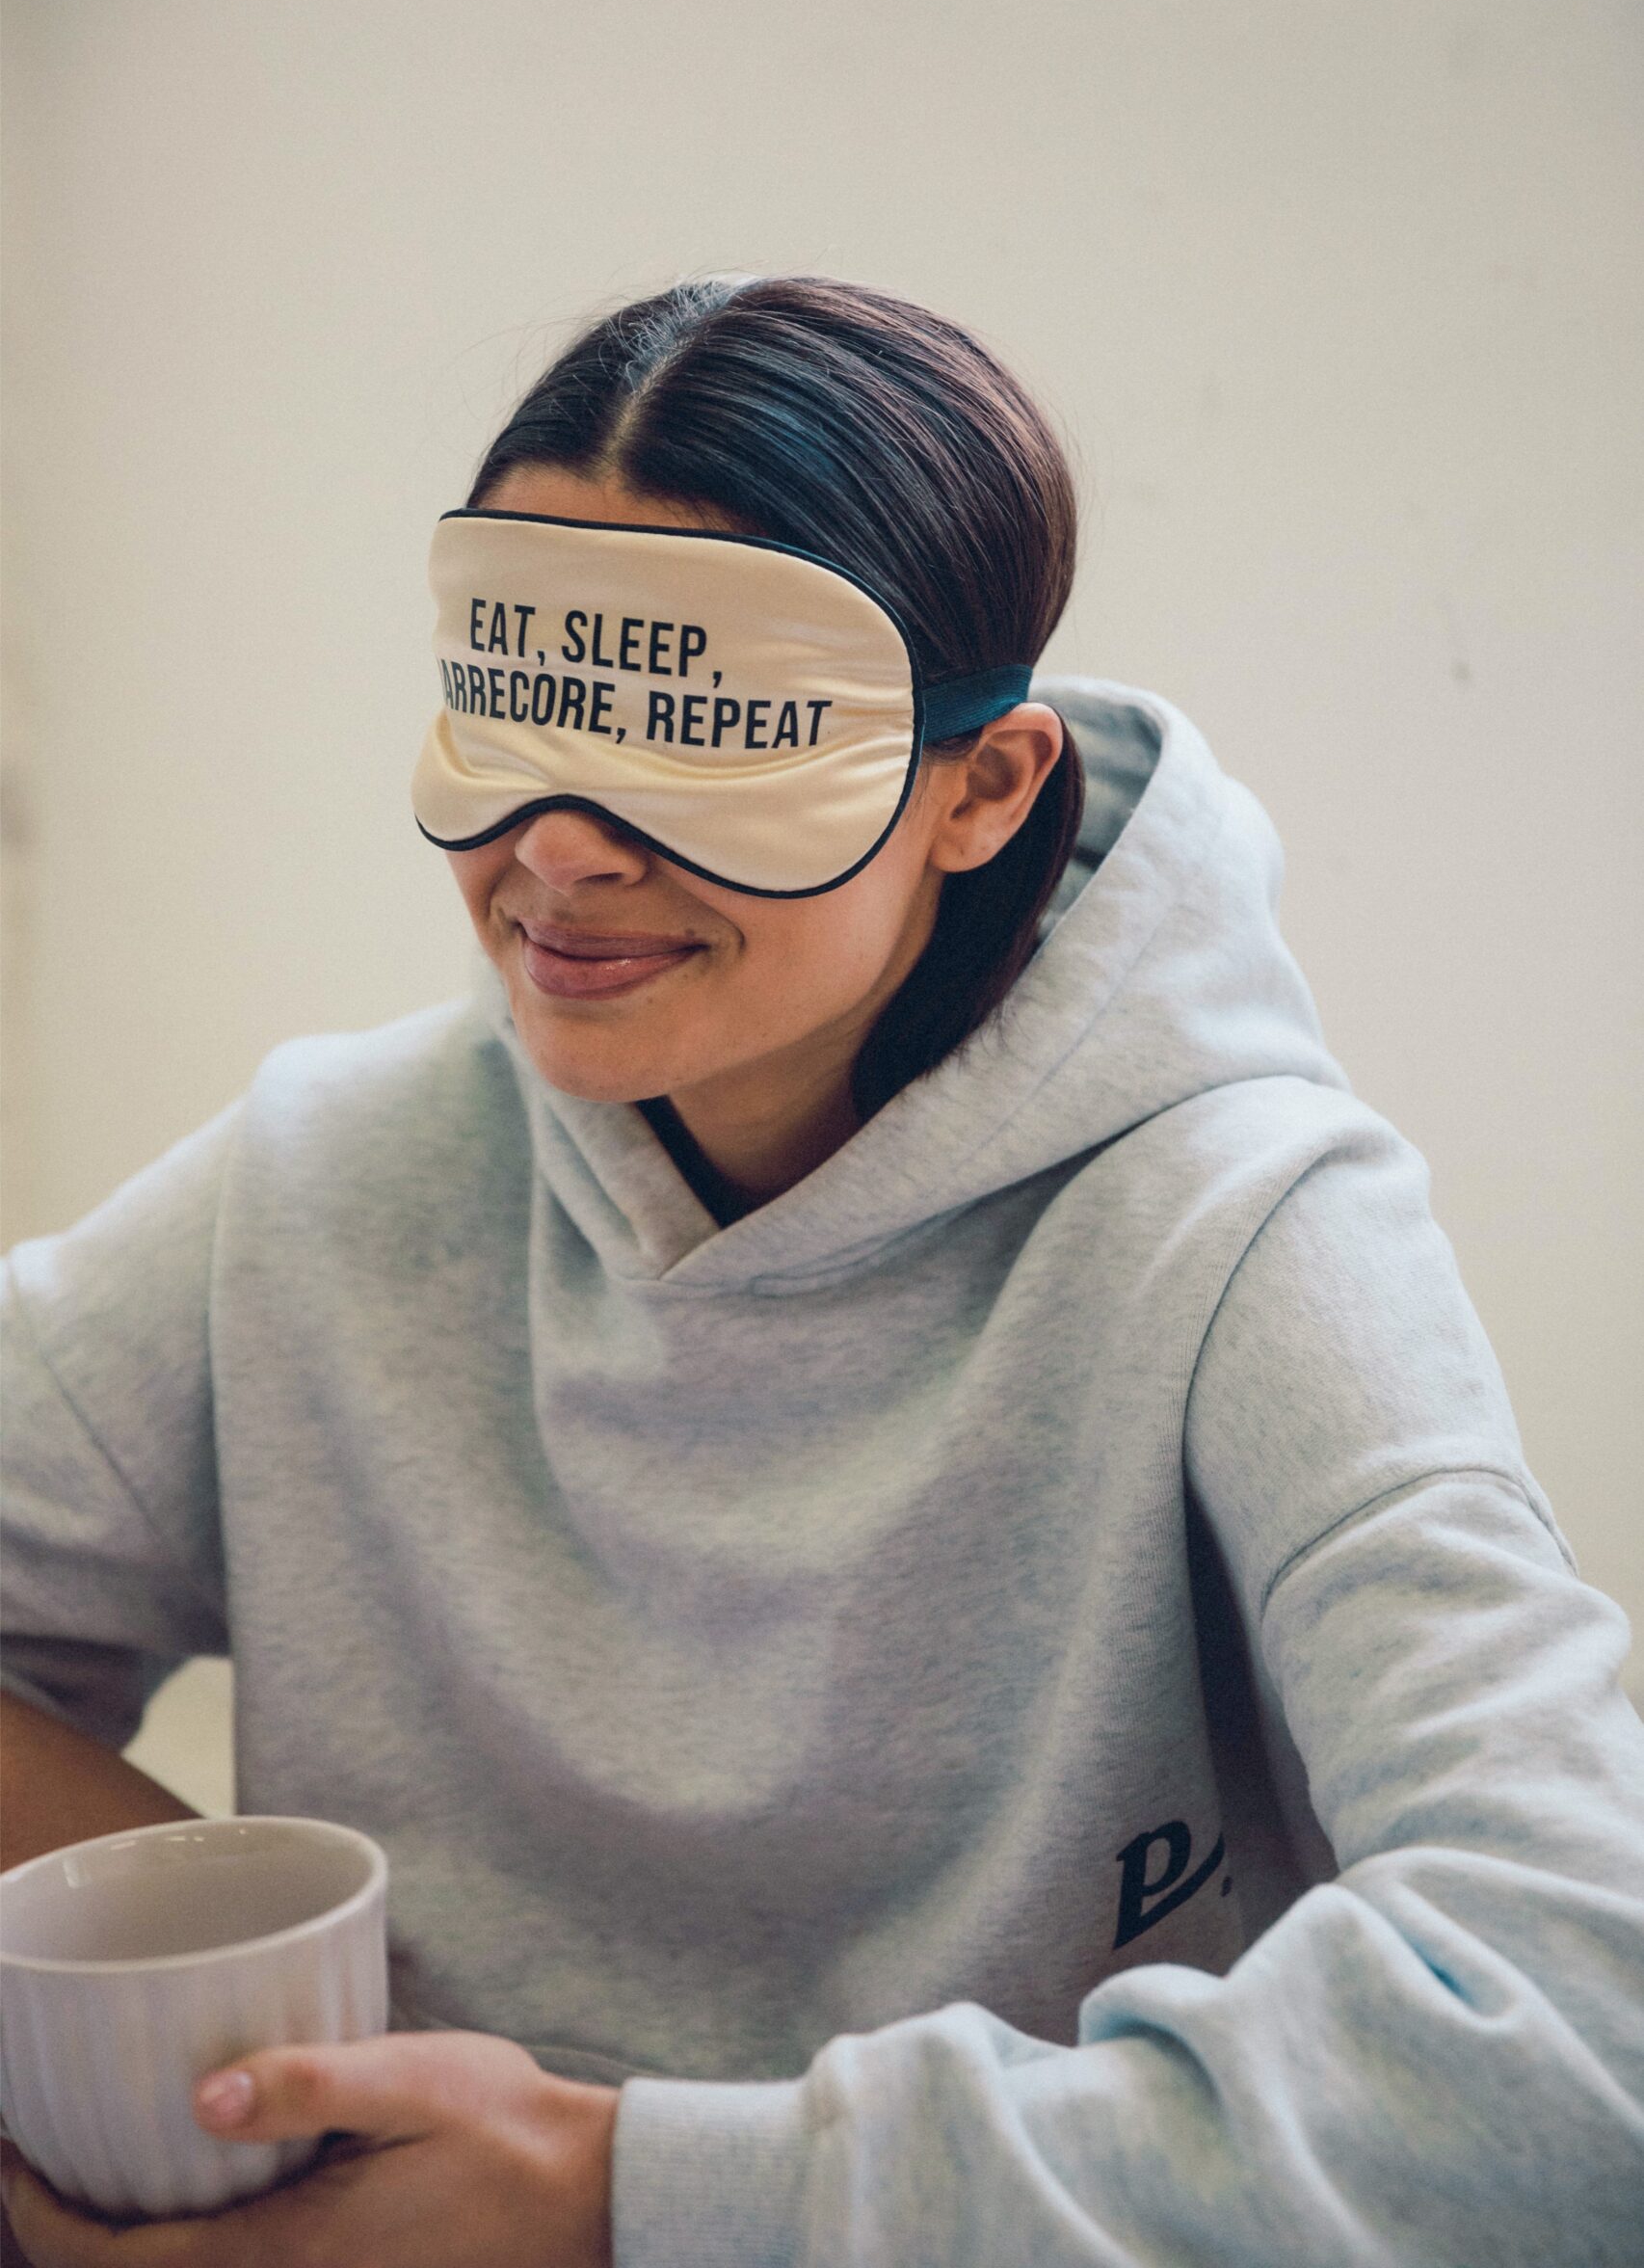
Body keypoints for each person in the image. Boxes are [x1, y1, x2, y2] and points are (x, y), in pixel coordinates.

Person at [2, 271, 1641, 2268]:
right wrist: (230, 2039)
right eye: (523, 710)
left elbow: (1584, 2046)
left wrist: (616, 2193)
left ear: (983, 787)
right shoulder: (323, 1177)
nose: (568, 851)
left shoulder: (1252, 1235)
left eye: (710, 739)